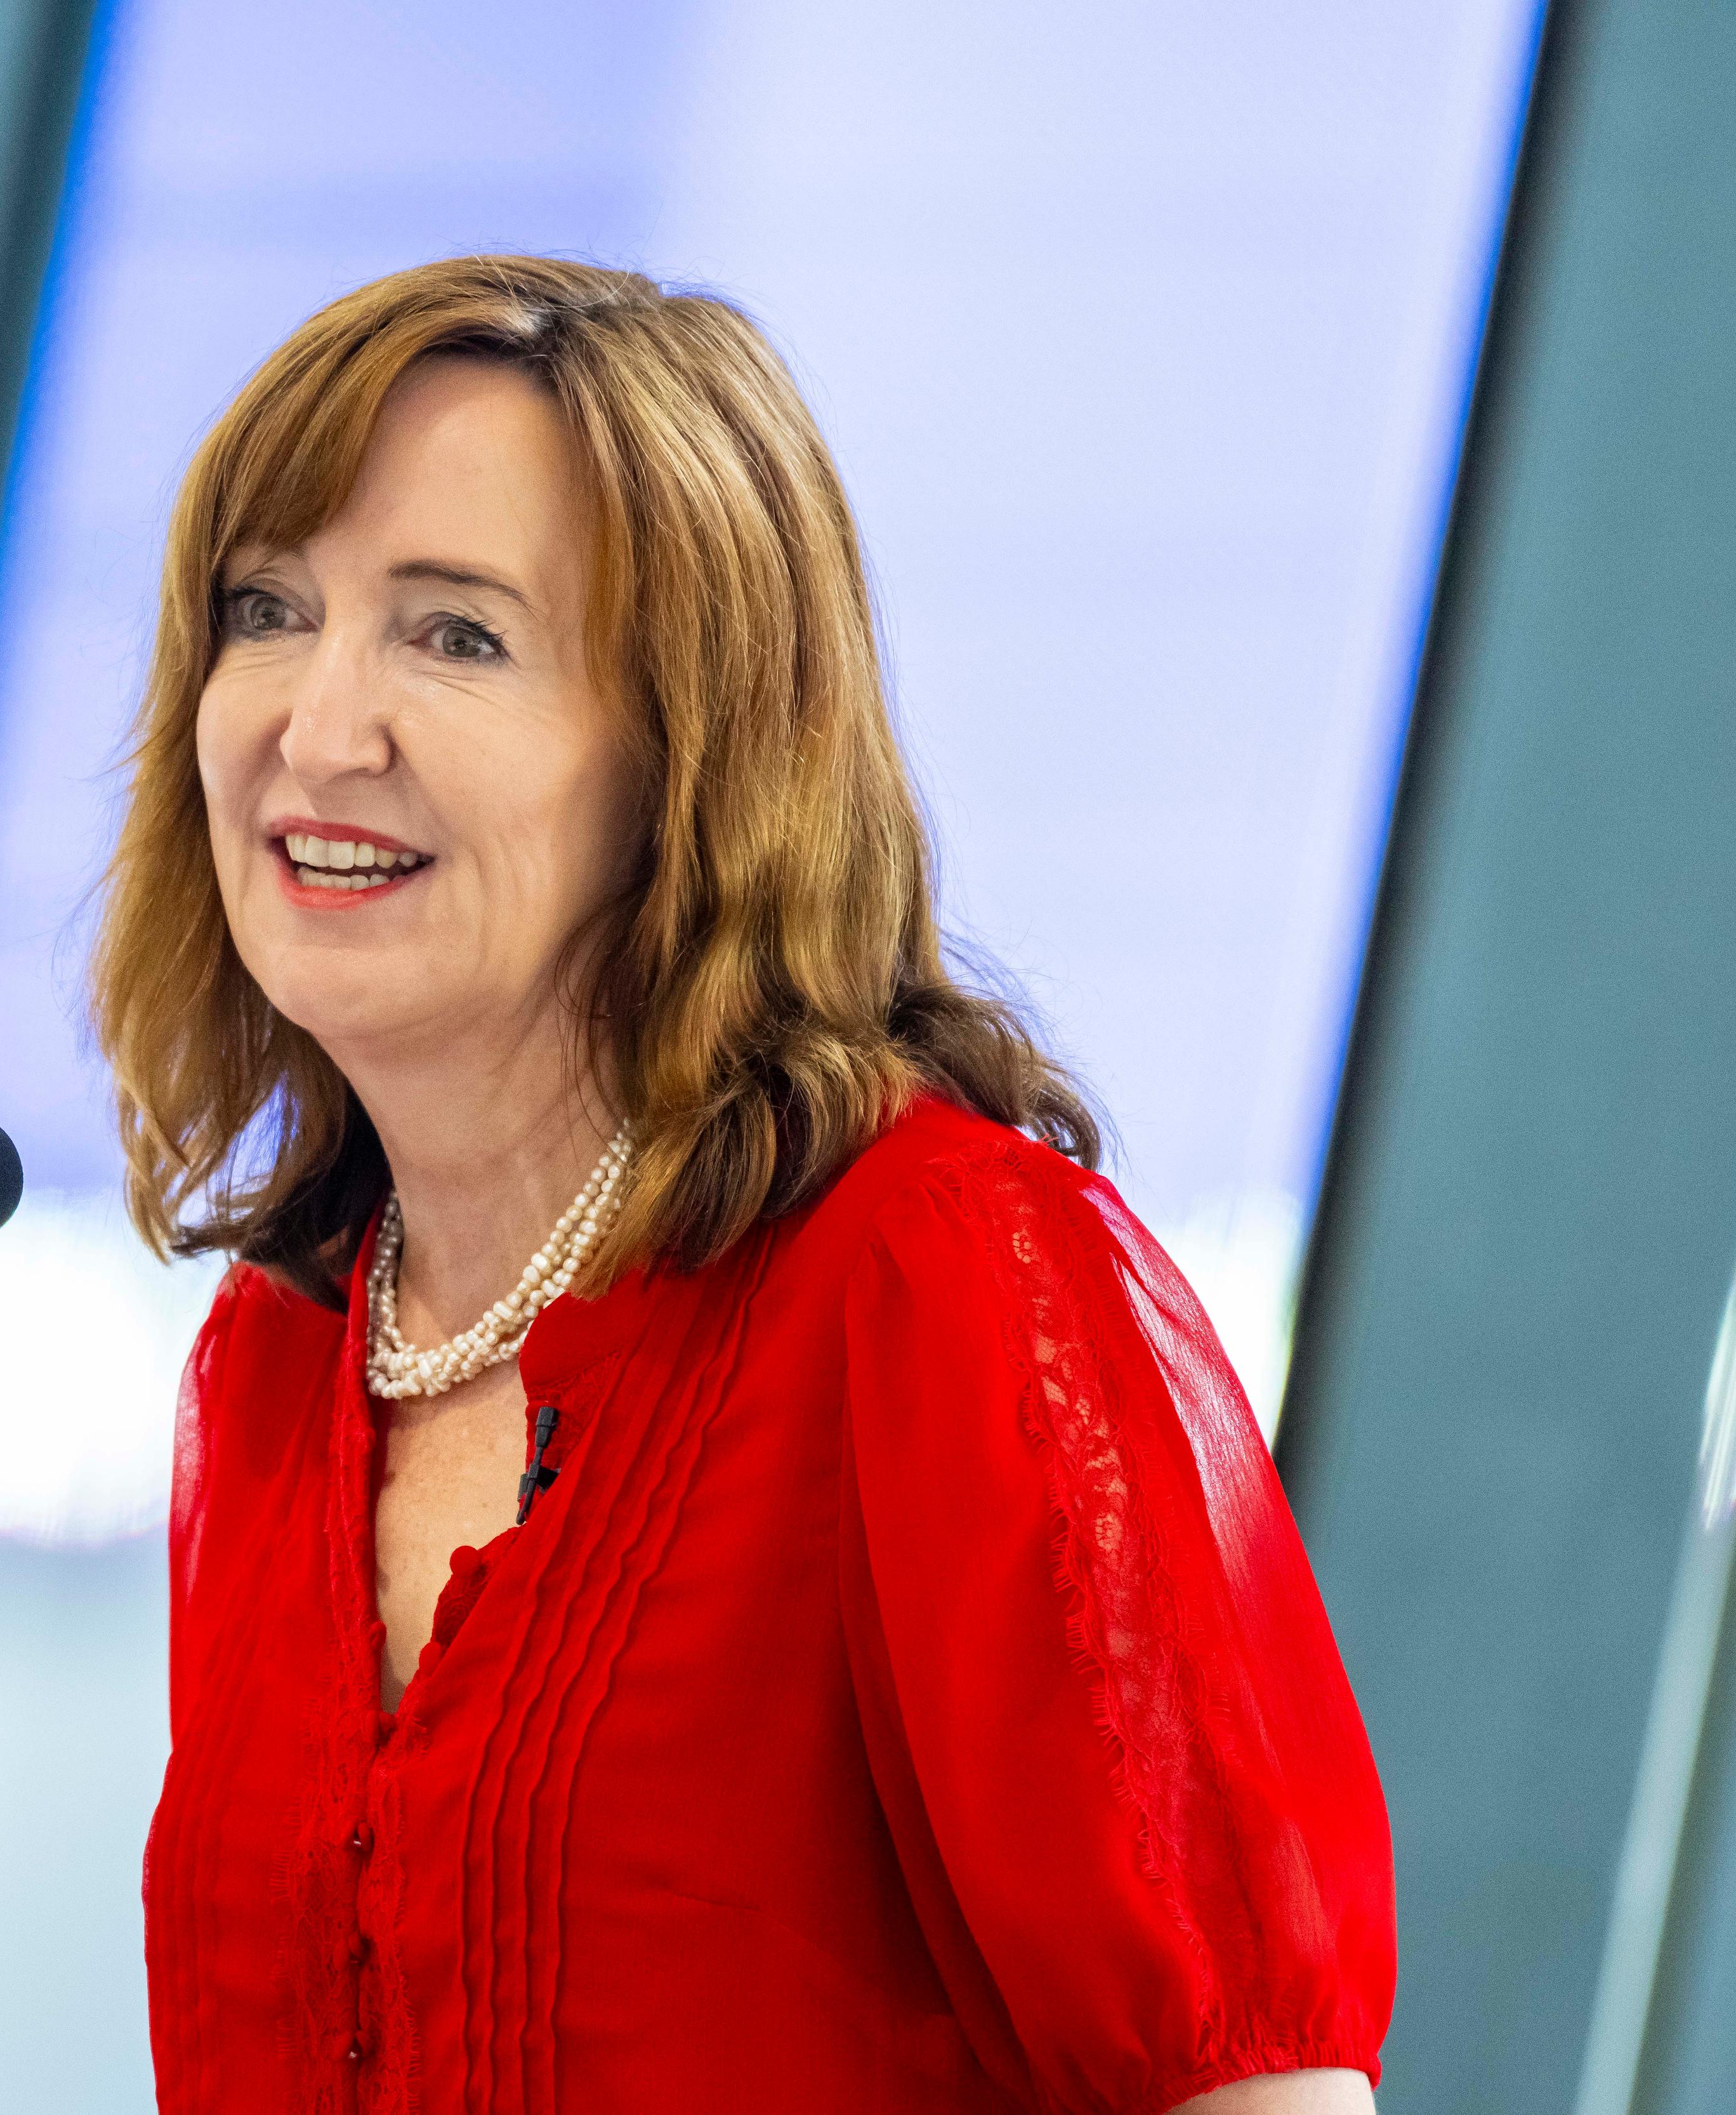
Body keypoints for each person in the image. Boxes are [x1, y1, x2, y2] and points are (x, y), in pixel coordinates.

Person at [91, 255, 1393, 2114]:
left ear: (690, 750)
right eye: (269, 611)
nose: (319, 727)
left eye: (456, 636)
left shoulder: (939, 1275)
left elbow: (1244, 2087)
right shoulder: (277, 1365)